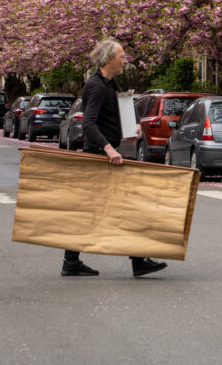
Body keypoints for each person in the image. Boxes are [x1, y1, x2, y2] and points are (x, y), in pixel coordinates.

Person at [60, 38, 168, 278]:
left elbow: (121, 107)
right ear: (110, 59)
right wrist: (109, 149)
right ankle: (137, 261)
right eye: (122, 56)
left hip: (103, 156)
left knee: (91, 210)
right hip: (99, 157)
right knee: (124, 207)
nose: (125, 60)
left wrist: (133, 127)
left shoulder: (110, 82)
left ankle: (71, 261)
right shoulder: (96, 86)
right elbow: (88, 123)